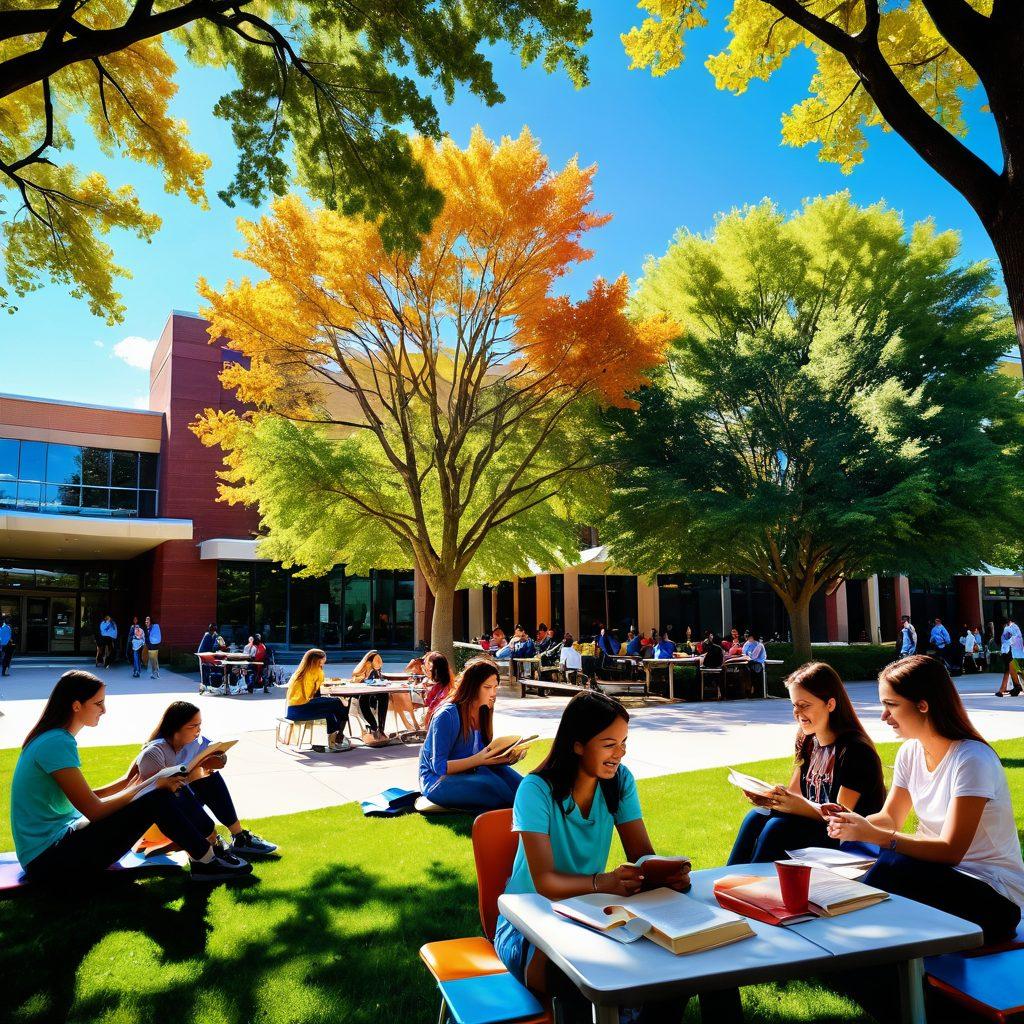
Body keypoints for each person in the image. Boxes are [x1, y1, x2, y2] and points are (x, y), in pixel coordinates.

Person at [494, 690, 741, 1024]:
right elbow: (545, 883)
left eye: (624, 742)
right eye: (609, 744)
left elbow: (641, 855)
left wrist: (662, 873)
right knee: (583, 977)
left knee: (699, 958)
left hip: (589, 913)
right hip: (529, 926)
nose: (619, 754)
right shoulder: (535, 790)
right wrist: (604, 882)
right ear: (578, 744)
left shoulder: (618, 781)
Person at [828, 655, 1024, 943]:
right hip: (939, 876)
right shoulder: (910, 752)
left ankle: (842, 932)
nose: (884, 716)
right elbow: (890, 818)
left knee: (892, 863)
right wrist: (852, 822)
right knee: (869, 857)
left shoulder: (971, 759)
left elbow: (950, 850)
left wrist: (879, 836)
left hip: (995, 895)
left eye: (891, 705)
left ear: (923, 705)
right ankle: (848, 929)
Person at [10, 671, 251, 882]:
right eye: (98, 703)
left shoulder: (52, 739)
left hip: (58, 846)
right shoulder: (56, 742)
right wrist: (149, 784)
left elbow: (88, 798)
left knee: (160, 792)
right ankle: (207, 860)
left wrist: (130, 782)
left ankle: (208, 852)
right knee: (157, 797)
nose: (104, 710)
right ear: (76, 705)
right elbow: (93, 810)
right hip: (49, 861)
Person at [728, 661, 885, 864]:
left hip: (848, 840)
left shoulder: (855, 751)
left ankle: (753, 887)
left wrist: (793, 805)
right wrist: (770, 797)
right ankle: (730, 880)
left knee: (777, 828)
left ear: (830, 704)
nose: (797, 712)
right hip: (818, 827)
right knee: (756, 816)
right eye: (794, 705)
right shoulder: (808, 740)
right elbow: (795, 796)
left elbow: (840, 816)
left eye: (805, 705)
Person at [135, 701, 277, 859]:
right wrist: (193, 773)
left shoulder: (192, 742)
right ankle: (214, 842)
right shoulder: (155, 751)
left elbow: (216, 753)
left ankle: (238, 836)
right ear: (176, 727)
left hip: (184, 814)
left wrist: (219, 758)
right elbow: (160, 795)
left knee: (208, 775)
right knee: (194, 779)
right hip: (162, 822)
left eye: (199, 725)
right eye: (193, 726)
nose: (198, 730)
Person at [418, 657, 524, 811]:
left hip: (471, 770)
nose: (493, 693)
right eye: (487, 687)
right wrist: (480, 760)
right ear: (473, 687)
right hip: (437, 780)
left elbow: (481, 755)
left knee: (523, 785)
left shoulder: (484, 710)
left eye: (495, 687)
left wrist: (504, 758)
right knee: (492, 786)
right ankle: (518, 814)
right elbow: (439, 767)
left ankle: (535, 809)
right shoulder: (447, 715)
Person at [285, 648, 350, 753]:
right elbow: (314, 695)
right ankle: (338, 736)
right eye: (323, 660)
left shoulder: (301, 671)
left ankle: (328, 740)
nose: (324, 662)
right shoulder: (314, 672)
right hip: (301, 709)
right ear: (316, 661)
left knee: (330, 712)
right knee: (338, 703)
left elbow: (314, 695)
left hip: (292, 710)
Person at [350, 650, 393, 741]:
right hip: (360, 694)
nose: (380, 663)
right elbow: (354, 679)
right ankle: (373, 726)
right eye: (378, 661)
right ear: (369, 661)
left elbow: (378, 682)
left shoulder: (375, 672)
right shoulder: (363, 669)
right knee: (363, 699)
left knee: (384, 695)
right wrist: (362, 678)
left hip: (372, 693)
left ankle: (381, 729)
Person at [422, 651, 454, 727]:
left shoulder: (438, 688)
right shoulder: (449, 682)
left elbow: (428, 703)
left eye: (430, 669)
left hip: (436, 722)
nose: (428, 670)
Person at [995, 616, 1024, 697]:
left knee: (1011, 670)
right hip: (1013, 651)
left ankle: (1004, 689)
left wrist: (1007, 644)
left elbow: (1013, 639)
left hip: (1012, 652)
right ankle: (1015, 687)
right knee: (1013, 670)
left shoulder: (1010, 628)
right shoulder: (1012, 627)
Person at [197, 623, 220, 691]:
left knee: (207, 669)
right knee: (204, 669)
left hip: (207, 654)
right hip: (203, 655)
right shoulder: (208, 636)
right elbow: (211, 647)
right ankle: (204, 685)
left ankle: (207, 684)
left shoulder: (211, 635)